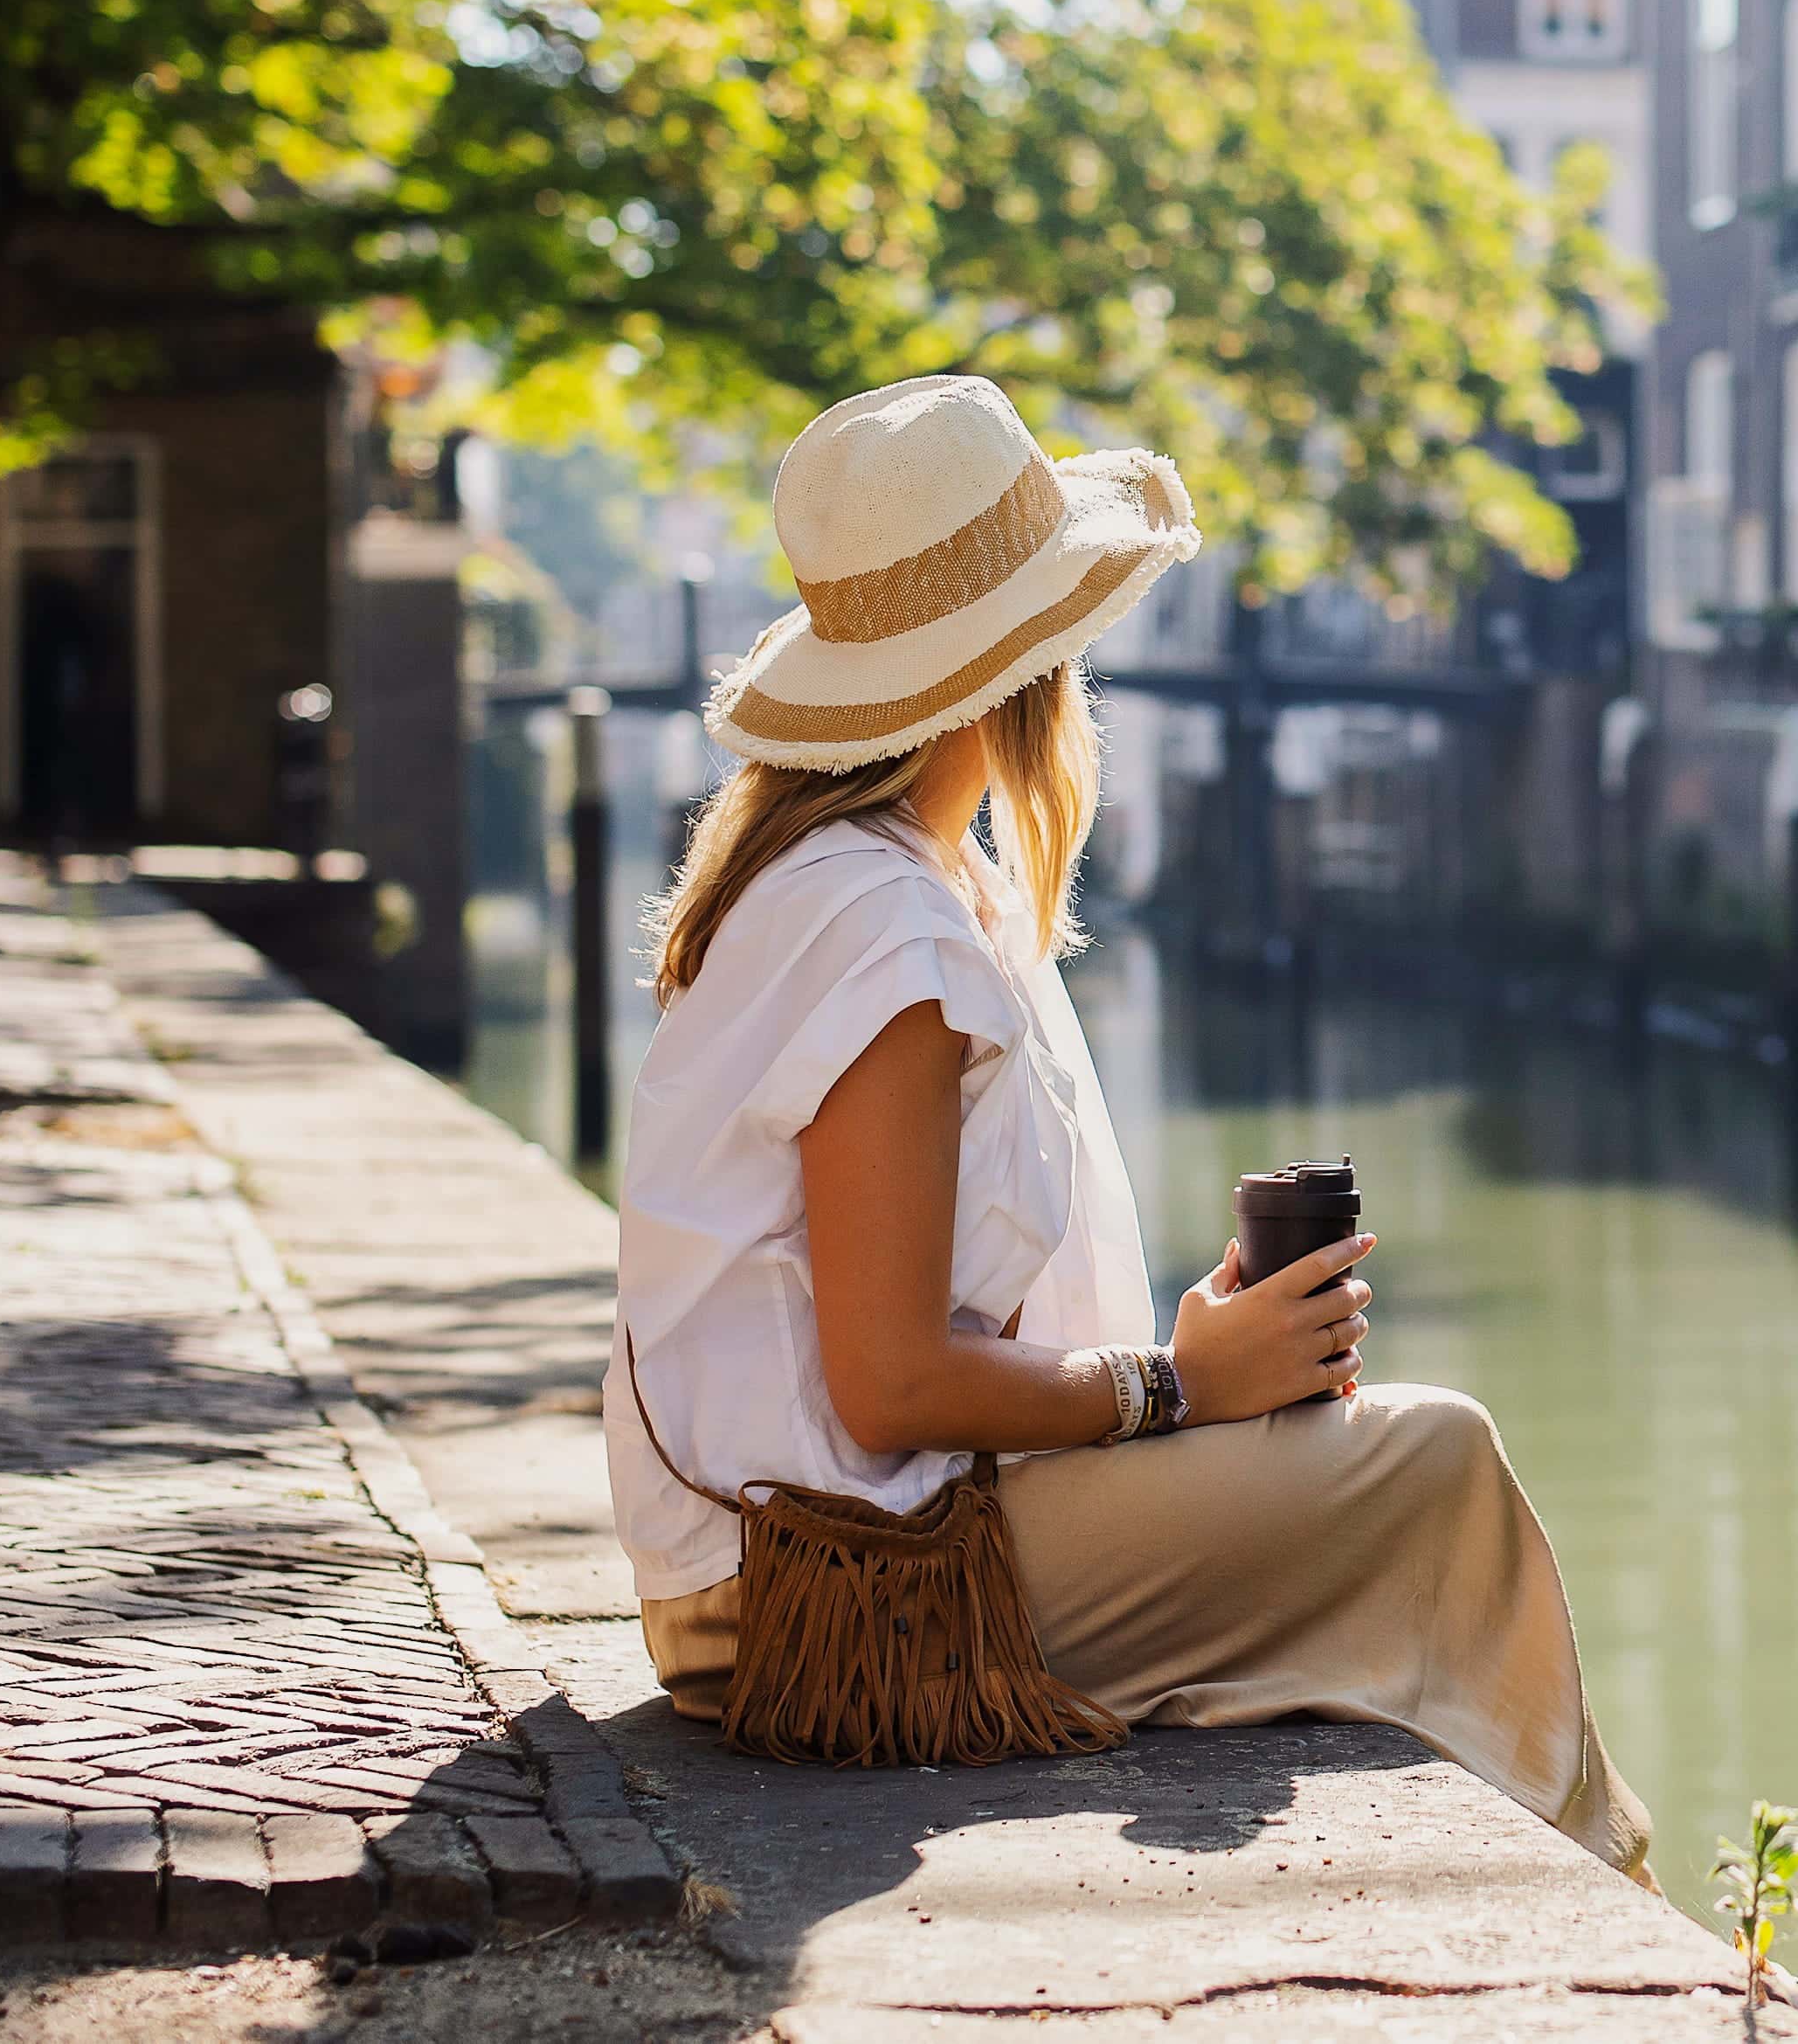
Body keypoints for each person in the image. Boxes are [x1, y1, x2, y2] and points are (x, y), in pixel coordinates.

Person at [604, 374, 1649, 1874]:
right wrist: (1170, 1386)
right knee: (1434, 1471)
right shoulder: (885, 929)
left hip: (815, 1557)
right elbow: (889, 1380)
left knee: (1357, 1463)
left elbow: (895, 1332)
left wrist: (1195, 1361)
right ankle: (1618, 1907)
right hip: (828, 1599)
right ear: (1027, 662)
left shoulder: (871, 881)